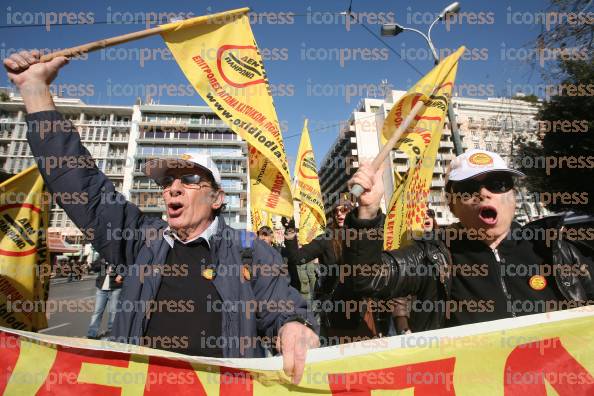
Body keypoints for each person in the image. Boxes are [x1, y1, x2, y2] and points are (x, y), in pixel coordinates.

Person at [5, 50, 318, 384]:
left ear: (217, 198)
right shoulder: (140, 240)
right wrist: (35, 89)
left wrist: (293, 326)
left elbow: (282, 306)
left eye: (190, 180)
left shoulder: (249, 249)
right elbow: (82, 185)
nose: (174, 188)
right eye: (168, 182)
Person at [344, 149, 594, 332]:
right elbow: (368, 278)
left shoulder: (554, 247)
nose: (484, 194)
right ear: (451, 203)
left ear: (513, 196)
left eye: (497, 184)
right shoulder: (432, 256)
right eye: (468, 188)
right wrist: (367, 211)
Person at [283, 194, 392, 343]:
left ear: (353, 211)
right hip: (336, 310)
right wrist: (290, 233)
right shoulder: (326, 238)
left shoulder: (364, 236)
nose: (339, 213)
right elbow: (297, 258)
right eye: (336, 211)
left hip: (363, 308)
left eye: (344, 209)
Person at [87, 258, 123, 339]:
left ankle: (111, 333)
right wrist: (103, 263)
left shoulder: (118, 256)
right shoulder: (103, 256)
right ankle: (92, 333)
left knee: (113, 311)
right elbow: (95, 268)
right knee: (97, 311)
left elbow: (125, 268)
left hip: (115, 288)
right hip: (101, 288)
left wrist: (120, 274)